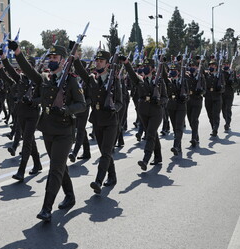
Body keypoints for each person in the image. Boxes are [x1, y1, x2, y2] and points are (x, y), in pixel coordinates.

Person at [11, 40, 86, 222]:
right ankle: (70, 195)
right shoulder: (44, 79)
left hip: (64, 132)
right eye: (50, 57)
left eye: (55, 57)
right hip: (48, 130)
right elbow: (28, 71)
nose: (51, 60)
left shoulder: (71, 80)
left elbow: (81, 105)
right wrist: (18, 53)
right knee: (59, 166)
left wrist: (66, 110)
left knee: (54, 169)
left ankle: (46, 208)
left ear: (63, 60)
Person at [74, 50, 122, 193]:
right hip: (97, 120)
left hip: (111, 121)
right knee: (104, 152)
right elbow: (81, 72)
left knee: (106, 152)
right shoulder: (92, 79)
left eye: (101, 61)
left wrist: (113, 108)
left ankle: (98, 180)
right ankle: (112, 176)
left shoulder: (114, 80)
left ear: (107, 64)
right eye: (97, 61)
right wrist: (76, 59)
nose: (98, 63)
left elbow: (120, 102)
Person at [123, 58, 167, 171]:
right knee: (152, 133)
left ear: (152, 68)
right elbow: (132, 74)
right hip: (143, 111)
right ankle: (158, 156)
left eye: (147, 66)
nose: (144, 68)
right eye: (143, 66)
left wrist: (158, 101)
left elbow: (165, 98)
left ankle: (145, 159)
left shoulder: (159, 81)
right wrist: (127, 63)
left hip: (156, 112)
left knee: (150, 134)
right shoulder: (140, 80)